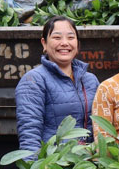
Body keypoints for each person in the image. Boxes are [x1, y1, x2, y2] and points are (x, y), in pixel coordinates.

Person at [16, 16, 99, 153]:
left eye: (71, 37)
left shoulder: (90, 80)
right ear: (44, 43)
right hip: (55, 166)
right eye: (57, 37)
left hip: (88, 163)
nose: (65, 43)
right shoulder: (33, 80)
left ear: (77, 43)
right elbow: (29, 133)